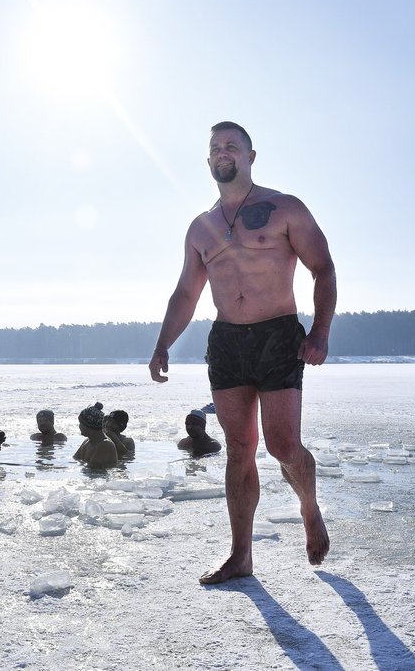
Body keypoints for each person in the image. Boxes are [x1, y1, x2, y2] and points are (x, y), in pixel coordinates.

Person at [149, 121, 336, 583]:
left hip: (278, 336)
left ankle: (309, 509)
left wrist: (320, 332)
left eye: (232, 145)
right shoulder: (201, 228)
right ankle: (241, 556)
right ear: (208, 161)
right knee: (239, 450)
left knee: (283, 445)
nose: (223, 153)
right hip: (227, 341)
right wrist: (162, 344)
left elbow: (324, 267)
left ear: (252, 156)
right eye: (215, 148)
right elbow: (186, 294)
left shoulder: (283, 208)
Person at [73, 402, 119, 469]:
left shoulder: (105, 445)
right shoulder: (86, 442)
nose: (79, 426)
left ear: (89, 426)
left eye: (80, 423)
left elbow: (92, 469)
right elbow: (75, 460)